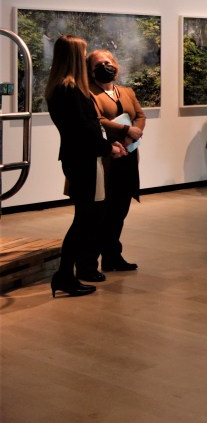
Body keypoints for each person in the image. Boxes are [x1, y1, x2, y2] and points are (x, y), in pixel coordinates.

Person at [45, 35, 127, 297]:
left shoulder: (62, 88)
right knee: (85, 218)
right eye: (82, 53)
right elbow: (83, 130)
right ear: (73, 56)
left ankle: (66, 274)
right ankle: (65, 274)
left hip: (80, 158)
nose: (85, 57)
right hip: (83, 160)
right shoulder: (69, 90)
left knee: (86, 217)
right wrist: (108, 148)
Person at [87, 49, 146, 272]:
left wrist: (134, 133)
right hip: (107, 157)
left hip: (128, 154)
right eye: (98, 64)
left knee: (120, 209)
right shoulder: (90, 94)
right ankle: (91, 259)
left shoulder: (126, 91)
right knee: (104, 210)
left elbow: (139, 115)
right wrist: (125, 129)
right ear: (90, 70)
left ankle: (112, 256)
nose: (105, 67)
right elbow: (97, 120)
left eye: (108, 62)